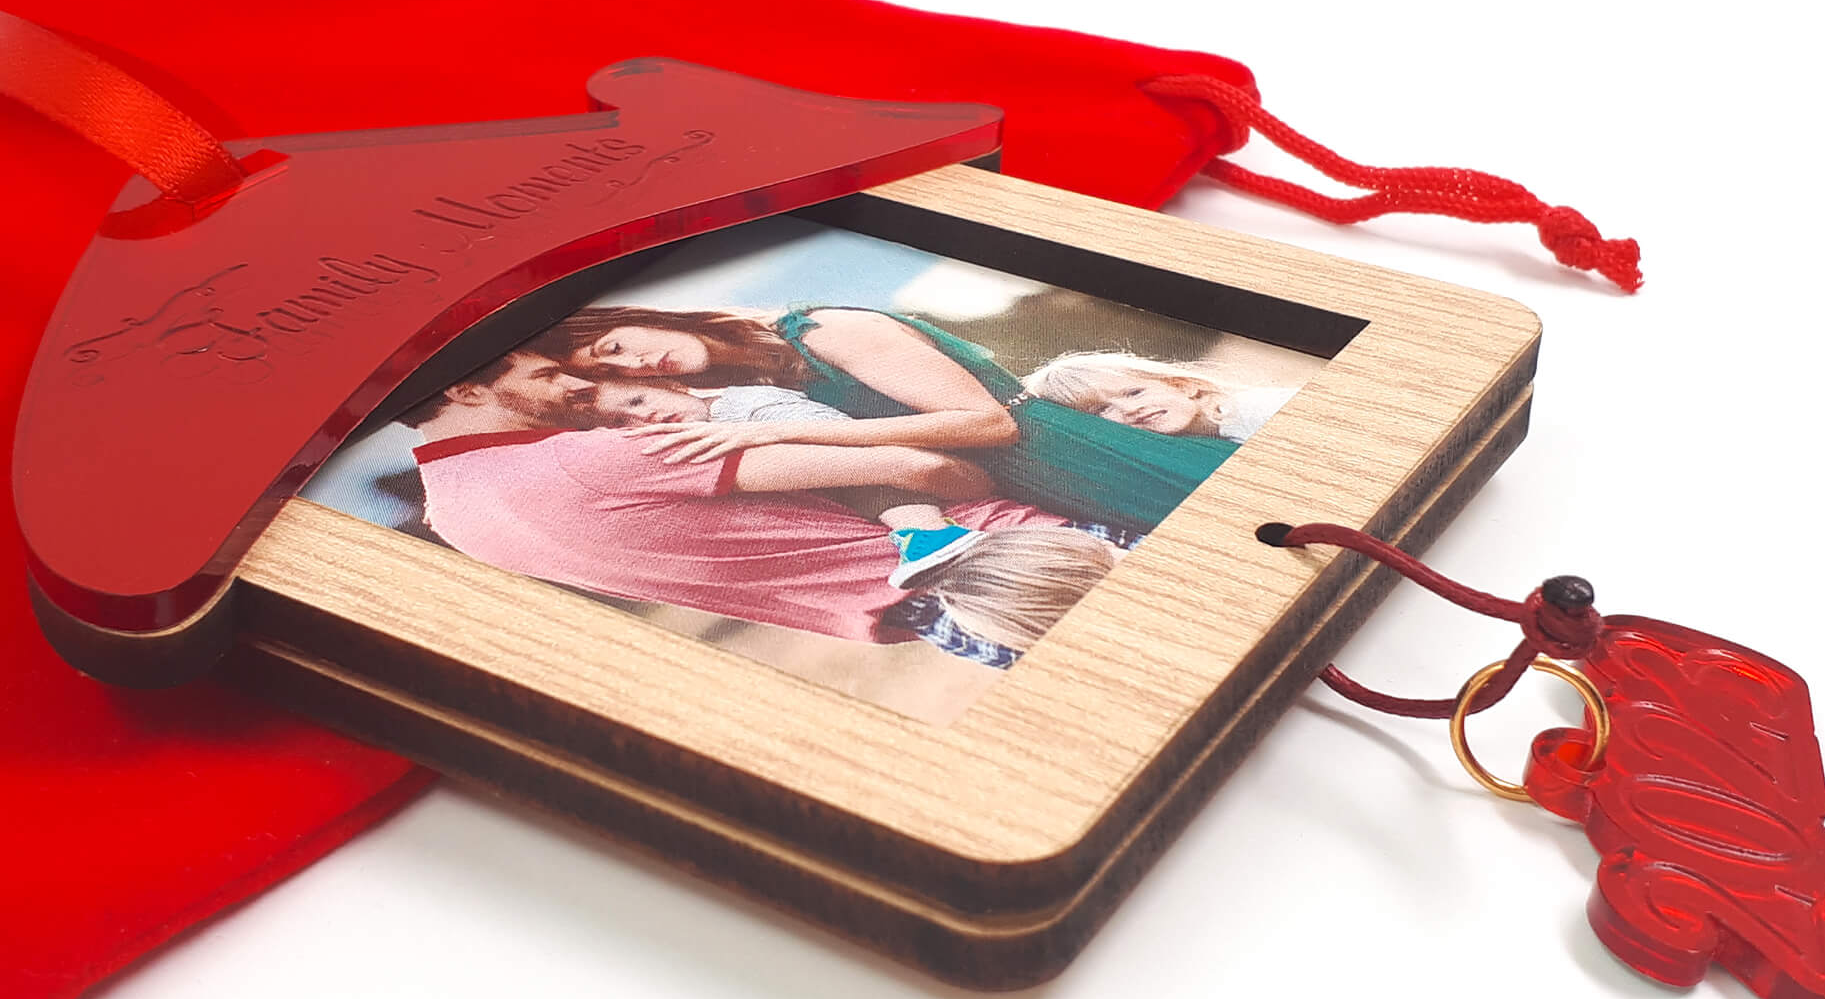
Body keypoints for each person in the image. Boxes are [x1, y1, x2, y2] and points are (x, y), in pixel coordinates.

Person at [401, 348, 1121, 666]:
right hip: (1022, 554)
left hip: (963, 632)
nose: (570, 388)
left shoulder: (456, 519)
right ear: (467, 390)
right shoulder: (585, 456)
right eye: (546, 375)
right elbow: (921, 468)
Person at [535, 305, 1239, 531]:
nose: (636, 364)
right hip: (1049, 486)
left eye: (616, 345)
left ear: (642, 317)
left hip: (1079, 455)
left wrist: (781, 431)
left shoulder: (825, 330)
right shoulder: (766, 376)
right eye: (616, 372)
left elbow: (989, 423)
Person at [595, 374, 986, 586]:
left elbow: (832, 431)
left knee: (850, 473)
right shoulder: (717, 423)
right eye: (623, 422)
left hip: (891, 464)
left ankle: (929, 533)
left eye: (638, 401)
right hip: (884, 474)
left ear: (672, 385)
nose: (643, 417)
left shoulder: (743, 407)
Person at [1020, 351, 1299, 442]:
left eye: (1134, 392)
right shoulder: (1202, 440)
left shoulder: (1256, 411)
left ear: (1184, 386)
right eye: (1101, 410)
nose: (1129, 409)